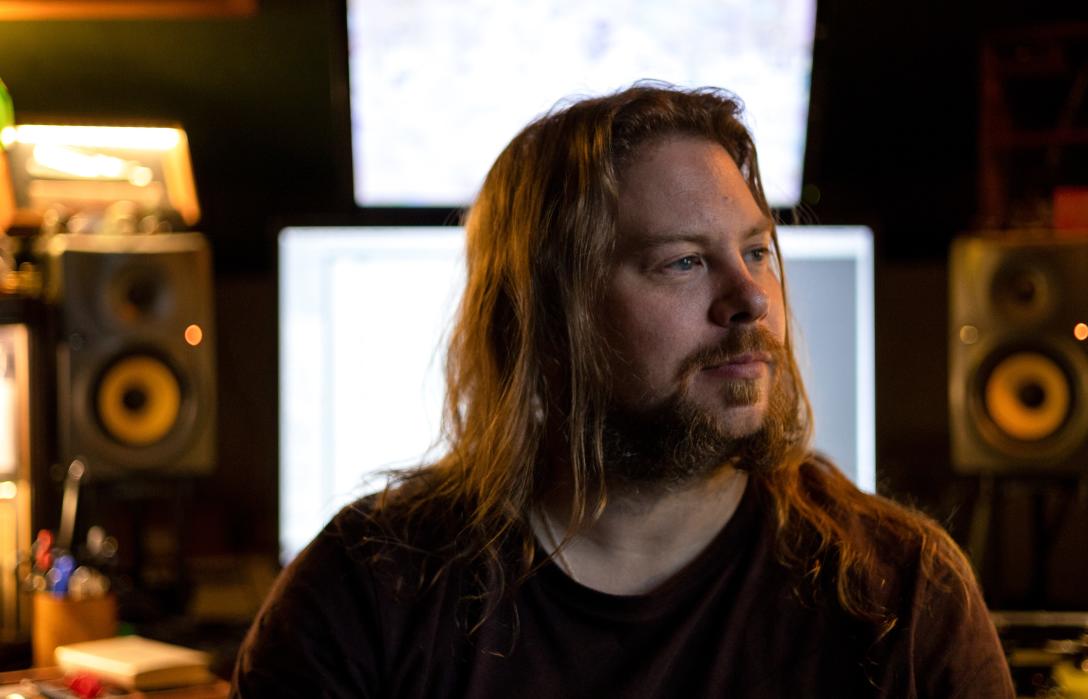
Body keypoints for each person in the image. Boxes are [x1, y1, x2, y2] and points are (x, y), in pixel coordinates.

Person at [233, 83, 1014, 698]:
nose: (751, 299)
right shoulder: (365, 594)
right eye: (682, 261)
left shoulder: (900, 595)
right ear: (546, 319)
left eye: (756, 251)